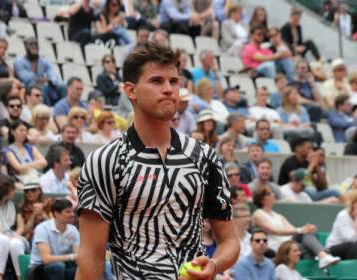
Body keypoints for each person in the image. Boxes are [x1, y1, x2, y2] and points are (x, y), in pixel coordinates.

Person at [76, 42, 239, 279]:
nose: (169, 89)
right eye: (156, 81)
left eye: (173, 81)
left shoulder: (205, 157)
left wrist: (214, 264)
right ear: (131, 90)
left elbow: (230, 241)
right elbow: (91, 257)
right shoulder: (105, 161)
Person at [252, 186, 340, 267]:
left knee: (307, 235)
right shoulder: (258, 214)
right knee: (306, 243)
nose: (273, 194)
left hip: (290, 243)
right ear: (262, 200)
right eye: (269, 194)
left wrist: (307, 229)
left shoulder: (278, 216)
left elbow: (293, 229)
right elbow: (275, 231)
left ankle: (321, 257)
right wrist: (301, 230)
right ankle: (322, 256)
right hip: (278, 248)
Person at [27, 199, 79, 280]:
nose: (73, 214)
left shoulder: (73, 230)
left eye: (72, 211)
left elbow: (78, 255)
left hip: (63, 266)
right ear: (56, 214)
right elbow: (46, 259)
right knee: (58, 266)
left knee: (80, 268)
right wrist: (72, 257)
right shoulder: (42, 228)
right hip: (38, 270)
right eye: (68, 212)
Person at [13, 37, 63, 106]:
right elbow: (26, 77)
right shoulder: (19, 61)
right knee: (39, 87)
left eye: (36, 44)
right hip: (27, 88)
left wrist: (51, 80)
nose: (34, 46)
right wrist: (44, 79)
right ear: (25, 47)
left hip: (46, 87)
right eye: (30, 44)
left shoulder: (44, 61)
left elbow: (53, 75)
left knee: (63, 86)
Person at [0, 175, 26, 280]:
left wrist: (15, 235)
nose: (15, 191)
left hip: (11, 235)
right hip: (1, 237)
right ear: (5, 190)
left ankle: (21, 277)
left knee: (16, 243)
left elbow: (21, 227)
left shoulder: (14, 205)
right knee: (3, 239)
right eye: (13, 189)